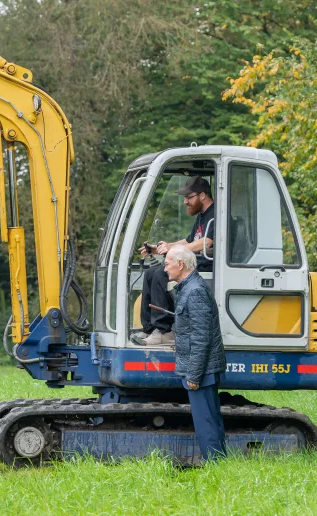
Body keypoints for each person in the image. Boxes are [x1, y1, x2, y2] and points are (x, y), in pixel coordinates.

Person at [132, 175, 216, 346]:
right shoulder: (201, 216)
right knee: (150, 273)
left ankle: (164, 331)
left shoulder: (215, 214)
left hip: (205, 265)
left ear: (202, 195)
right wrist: (161, 247)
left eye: (189, 197)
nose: (185, 202)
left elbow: (207, 241)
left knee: (162, 274)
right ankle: (150, 328)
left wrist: (175, 251)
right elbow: (189, 240)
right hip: (195, 261)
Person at [166, 245, 227, 463]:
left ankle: (215, 465)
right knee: (209, 419)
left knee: (206, 421)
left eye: (167, 264)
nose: (165, 269)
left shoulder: (195, 291)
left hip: (202, 371)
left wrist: (194, 375)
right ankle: (219, 462)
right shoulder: (188, 288)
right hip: (203, 369)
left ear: (180, 264)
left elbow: (202, 337)